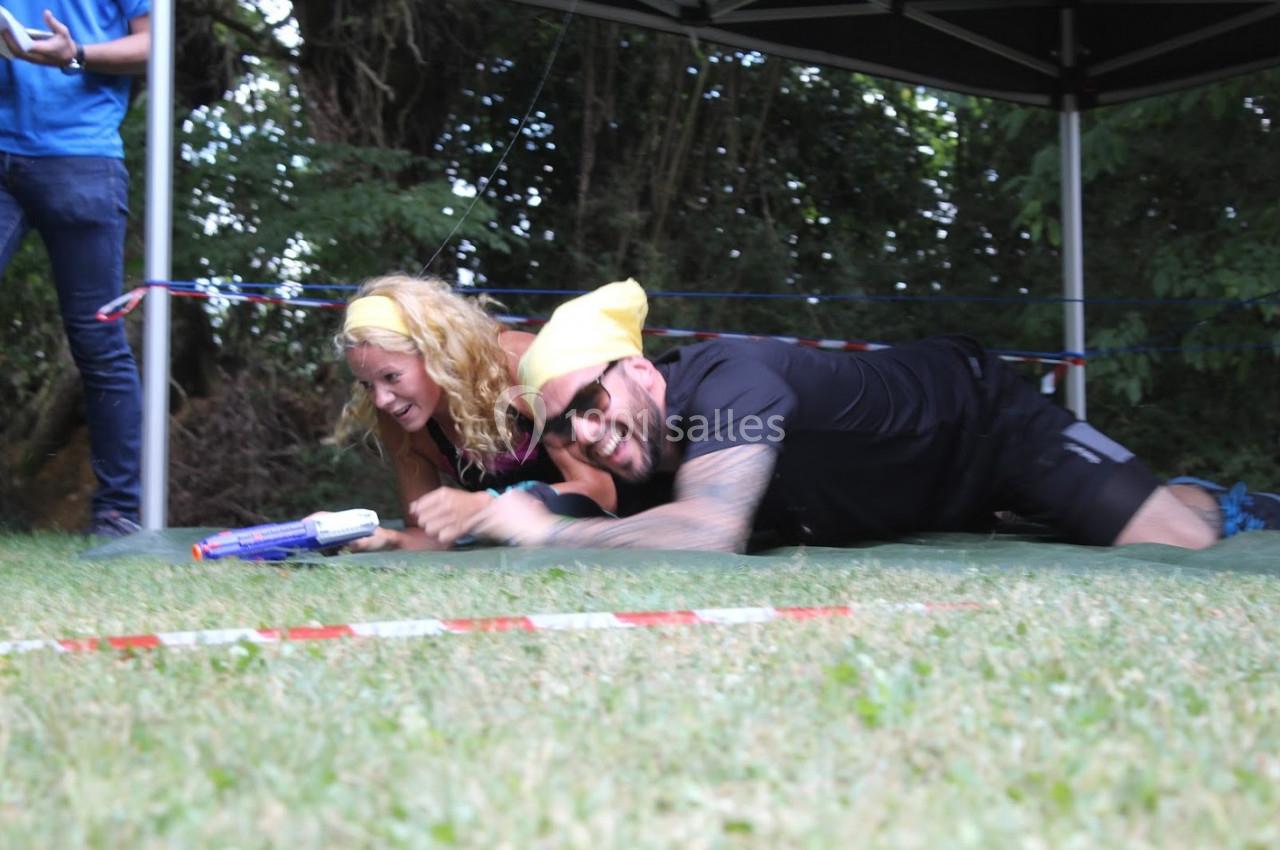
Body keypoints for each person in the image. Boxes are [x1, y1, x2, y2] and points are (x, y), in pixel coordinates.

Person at [433, 278, 1280, 553]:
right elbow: (614, 521)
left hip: (985, 424)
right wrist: (476, 519)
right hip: (921, 498)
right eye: (564, 428)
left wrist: (541, 532)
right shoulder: (646, 455)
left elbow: (709, 530)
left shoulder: (731, 381)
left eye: (591, 401)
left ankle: (1229, 500)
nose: (584, 433)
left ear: (644, 372)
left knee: (1181, 542)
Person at [1, 1, 150, 537]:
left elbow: (153, 44)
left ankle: (117, 513)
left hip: (80, 157)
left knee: (97, 340)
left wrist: (76, 53)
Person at [335, 274, 616, 551]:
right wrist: (385, 539)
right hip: (538, 548)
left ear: (437, 352)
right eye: (367, 384)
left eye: (392, 376)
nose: (381, 399)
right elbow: (429, 533)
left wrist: (486, 505)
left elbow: (603, 493)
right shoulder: (399, 414)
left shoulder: (518, 365)